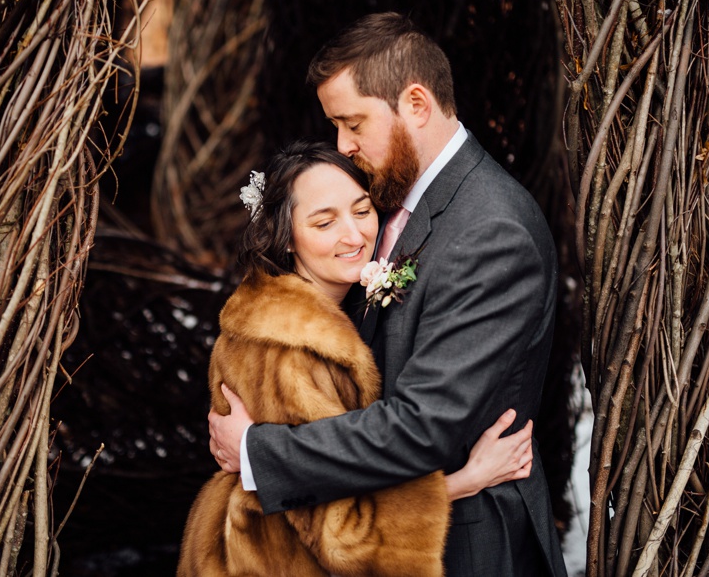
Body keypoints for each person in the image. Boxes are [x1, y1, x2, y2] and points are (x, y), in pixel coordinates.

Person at [209, 12, 569, 576]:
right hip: (386, 532)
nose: (342, 145)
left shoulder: (491, 232)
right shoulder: (389, 203)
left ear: (417, 104)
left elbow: (424, 425)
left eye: (352, 124)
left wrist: (260, 453)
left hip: (465, 545)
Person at [178, 142, 535, 576]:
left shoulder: (327, 311)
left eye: (362, 211)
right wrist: (465, 482)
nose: (353, 236)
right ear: (287, 237)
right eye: (325, 222)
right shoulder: (284, 351)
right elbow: (343, 536)